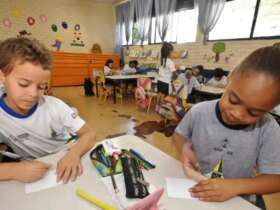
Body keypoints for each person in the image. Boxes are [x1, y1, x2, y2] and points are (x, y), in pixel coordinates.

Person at [173, 46, 280, 209]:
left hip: (240, 200)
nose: (237, 114)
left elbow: (276, 180)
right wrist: (183, 149)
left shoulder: (268, 128)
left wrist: (236, 186)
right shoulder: (199, 111)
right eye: (233, 100)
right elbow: (179, 135)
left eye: (253, 112)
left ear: (271, 108)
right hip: (199, 193)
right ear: (229, 79)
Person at [0, 37, 96, 183]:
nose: (33, 94)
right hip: (36, 169)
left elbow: (89, 133)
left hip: (71, 155)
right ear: (2, 77)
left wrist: (73, 154)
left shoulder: (55, 106)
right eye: (24, 84)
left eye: (41, 87)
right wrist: (13, 170)